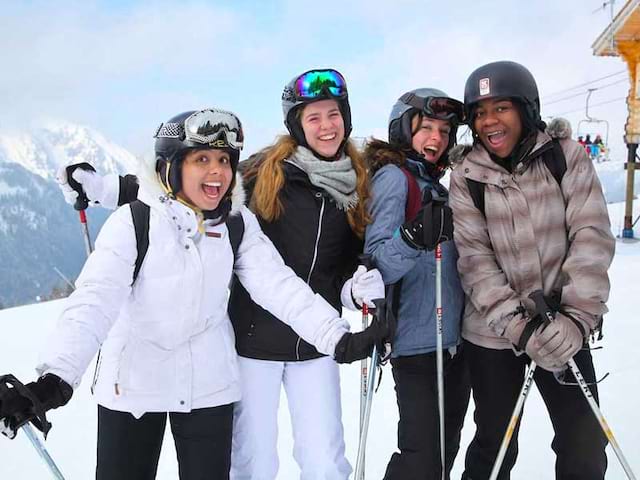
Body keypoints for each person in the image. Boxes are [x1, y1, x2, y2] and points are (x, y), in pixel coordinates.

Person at [0, 108, 388, 480]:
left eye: (223, 159)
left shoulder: (237, 224)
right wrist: (55, 379)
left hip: (208, 386)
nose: (216, 171)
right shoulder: (134, 223)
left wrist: (337, 337)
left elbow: (281, 287)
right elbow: (93, 302)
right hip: (133, 384)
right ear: (171, 168)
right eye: (201, 159)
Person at [449, 61, 615, 479]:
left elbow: (591, 235)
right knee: (495, 442)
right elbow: (475, 260)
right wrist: (519, 328)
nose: (490, 121)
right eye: (480, 113)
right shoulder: (467, 176)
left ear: (526, 108)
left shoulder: (565, 156)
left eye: (501, 107)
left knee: (584, 441)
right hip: (493, 335)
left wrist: (576, 318)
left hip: (563, 324)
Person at [363, 88, 471, 479]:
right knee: (422, 457)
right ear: (403, 129)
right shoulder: (395, 179)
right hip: (415, 343)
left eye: (444, 132)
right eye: (426, 128)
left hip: (455, 342)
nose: (436, 139)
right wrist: (412, 237)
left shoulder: (439, 186)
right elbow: (374, 266)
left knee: (443, 453)